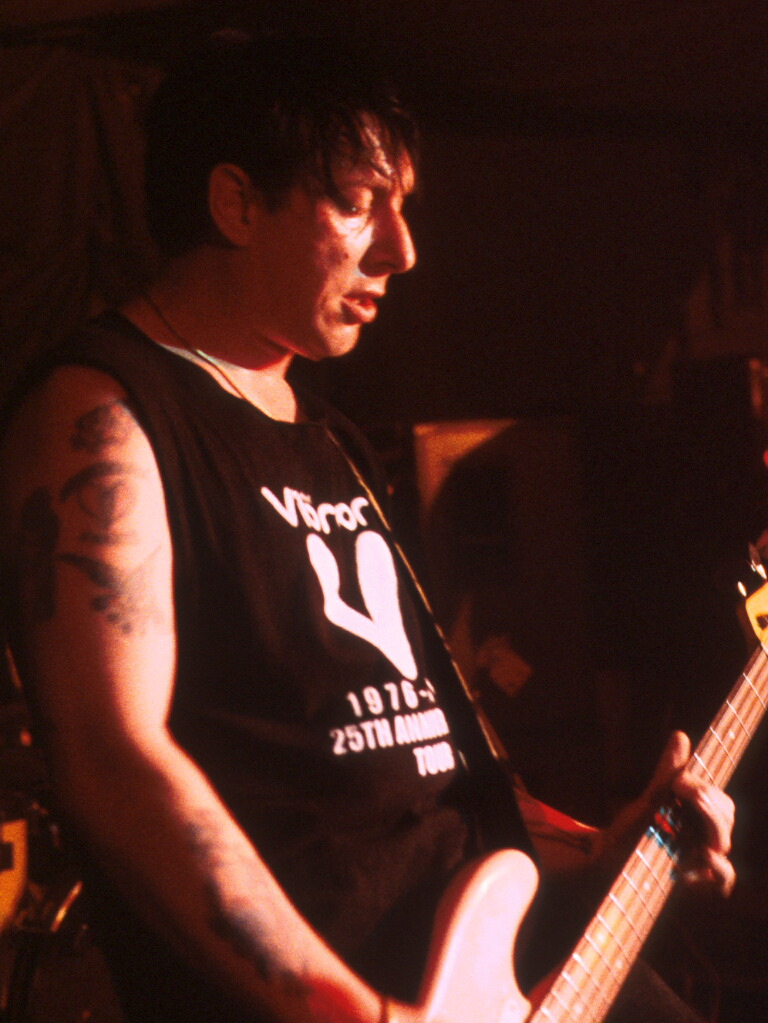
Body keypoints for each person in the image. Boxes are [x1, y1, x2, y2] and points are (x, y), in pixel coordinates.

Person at [0, 33, 736, 1023]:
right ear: (236, 203)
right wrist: (346, 1008)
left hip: (511, 965)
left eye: (404, 205)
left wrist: (601, 848)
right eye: (358, 202)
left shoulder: (327, 436)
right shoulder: (105, 414)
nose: (403, 248)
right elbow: (111, 757)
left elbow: (422, 762)